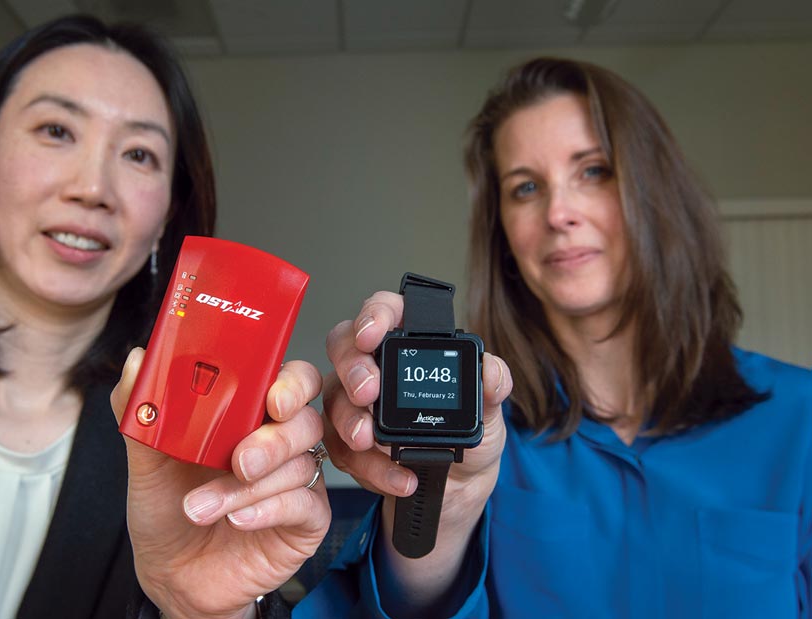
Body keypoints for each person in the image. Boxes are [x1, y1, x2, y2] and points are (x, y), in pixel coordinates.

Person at [0, 15, 328, 619]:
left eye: (139, 153)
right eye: (56, 130)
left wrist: (207, 613)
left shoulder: (196, 438)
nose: (93, 187)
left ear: (169, 215)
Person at [301, 57, 812, 618]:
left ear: (657, 194)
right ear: (504, 236)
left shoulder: (800, 418)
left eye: (593, 171)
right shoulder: (484, 436)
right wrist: (447, 500)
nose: (558, 212)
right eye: (525, 188)